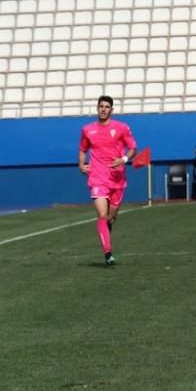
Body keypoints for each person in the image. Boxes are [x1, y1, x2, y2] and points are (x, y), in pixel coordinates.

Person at [78, 95, 137, 266]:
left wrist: (124, 159)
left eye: (106, 107)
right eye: (100, 106)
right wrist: (81, 165)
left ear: (112, 109)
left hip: (117, 179)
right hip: (97, 177)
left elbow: (133, 149)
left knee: (111, 218)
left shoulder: (121, 128)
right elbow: (82, 149)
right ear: (97, 108)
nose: (103, 109)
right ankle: (108, 253)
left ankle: (106, 233)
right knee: (102, 215)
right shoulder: (87, 130)